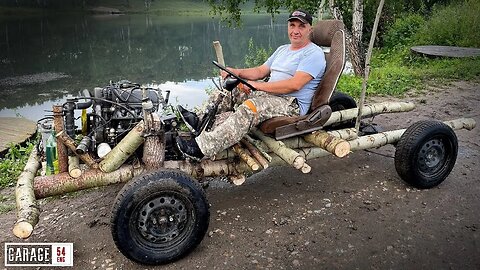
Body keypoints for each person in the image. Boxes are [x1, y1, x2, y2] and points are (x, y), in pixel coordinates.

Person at [177, 9, 326, 160]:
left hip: (291, 104)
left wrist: (256, 85)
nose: (295, 31)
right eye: (292, 25)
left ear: (310, 29)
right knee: (232, 88)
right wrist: (237, 72)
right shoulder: (282, 49)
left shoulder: (314, 54)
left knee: (250, 108)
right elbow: (261, 71)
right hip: (271, 94)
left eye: (301, 26)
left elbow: (295, 85)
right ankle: (200, 120)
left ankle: (202, 148)